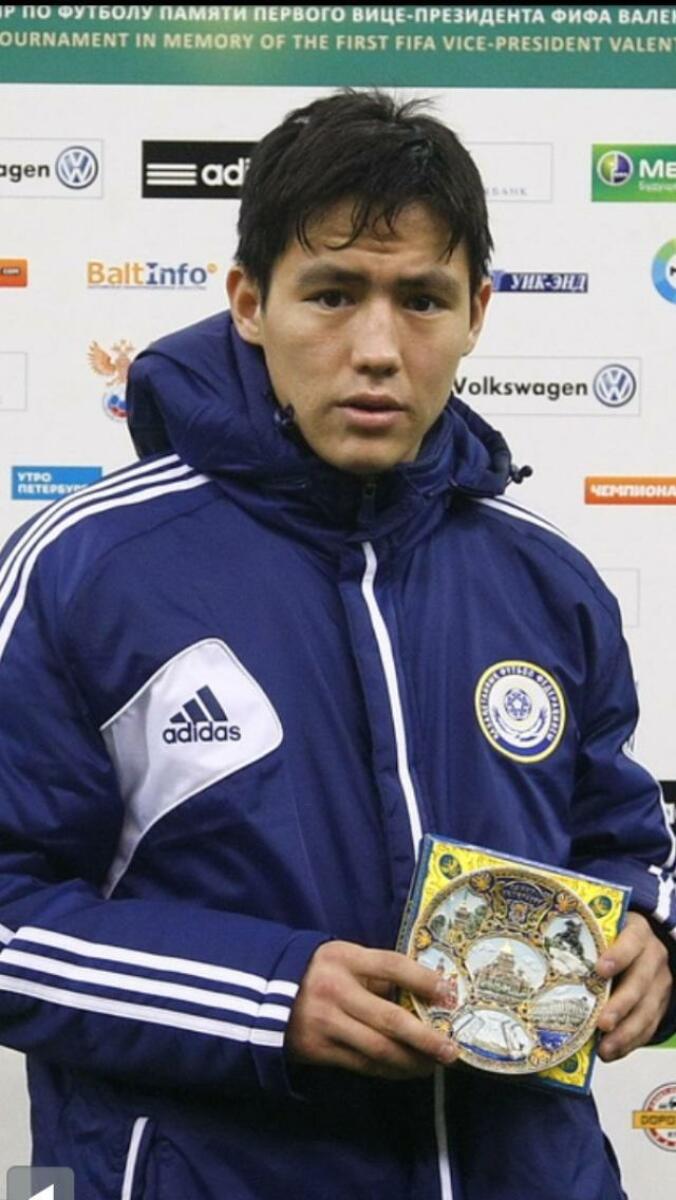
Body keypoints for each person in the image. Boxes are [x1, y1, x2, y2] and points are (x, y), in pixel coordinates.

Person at [0, 89, 674, 1200]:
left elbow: (625, 842)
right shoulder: (88, 569)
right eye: (331, 294)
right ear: (248, 303)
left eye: (422, 300)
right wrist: (267, 997)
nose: (376, 349)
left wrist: (648, 931)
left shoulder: (548, 580)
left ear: (477, 313)